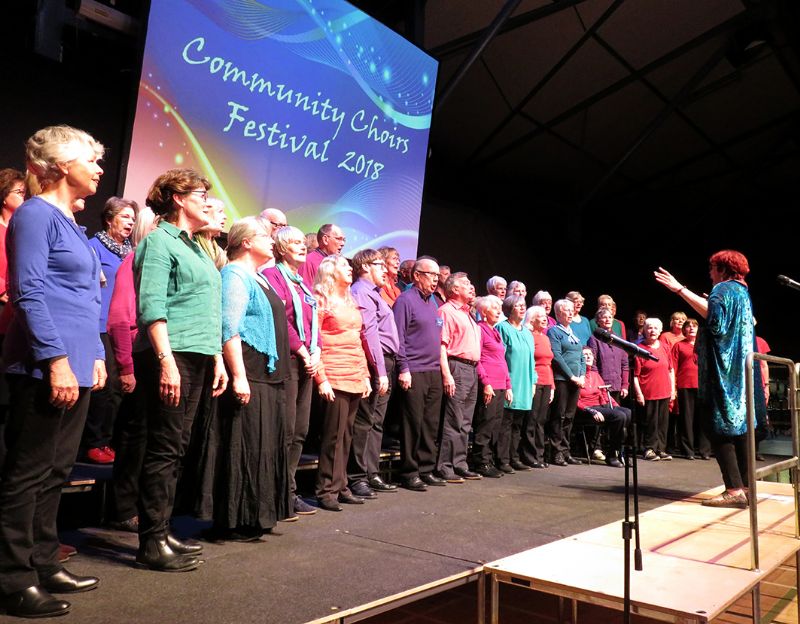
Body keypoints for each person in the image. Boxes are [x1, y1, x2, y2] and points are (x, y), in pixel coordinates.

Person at [0, 125, 106, 618]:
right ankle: (11, 578)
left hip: (78, 364)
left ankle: (43, 560)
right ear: (64, 166)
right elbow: (28, 292)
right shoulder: (34, 214)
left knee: (58, 470)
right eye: (91, 160)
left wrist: (95, 357)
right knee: (27, 472)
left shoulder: (68, 221)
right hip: (47, 365)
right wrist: (57, 360)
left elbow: (86, 298)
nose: (99, 169)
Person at [132, 168, 227, 571]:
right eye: (200, 193)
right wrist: (166, 362)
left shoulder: (196, 247)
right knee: (164, 448)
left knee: (178, 448)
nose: (207, 200)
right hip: (171, 355)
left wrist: (217, 357)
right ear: (176, 198)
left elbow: (208, 308)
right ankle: (150, 543)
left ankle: (163, 529)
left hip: (198, 356)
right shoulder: (159, 241)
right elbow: (152, 306)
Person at [655, 251, 766, 508]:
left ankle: (734, 489)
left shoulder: (722, 289)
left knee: (718, 426)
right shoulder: (741, 291)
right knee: (740, 429)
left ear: (723, 268)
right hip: (741, 372)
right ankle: (748, 487)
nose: (709, 272)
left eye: (712, 267)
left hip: (724, 372)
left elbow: (716, 323)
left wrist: (680, 289)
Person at [212, 217, 291, 538]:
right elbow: (228, 328)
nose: (272, 240)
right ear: (246, 242)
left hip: (268, 375)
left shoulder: (259, 277)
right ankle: (237, 518)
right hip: (249, 371)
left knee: (265, 446)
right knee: (245, 445)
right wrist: (239, 377)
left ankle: (259, 514)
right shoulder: (234, 274)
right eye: (264, 235)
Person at [105, 207, 158, 533]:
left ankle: (144, 505)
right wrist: (125, 366)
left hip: (156, 357)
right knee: (135, 435)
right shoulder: (135, 260)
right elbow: (121, 318)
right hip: (137, 357)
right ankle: (123, 508)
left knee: (152, 437)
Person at [263, 226, 320, 518]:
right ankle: (275, 494)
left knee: (300, 431)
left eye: (303, 242)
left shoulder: (302, 283)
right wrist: (301, 349)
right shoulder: (273, 277)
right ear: (281, 248)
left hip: (306, 361)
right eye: (295, 243)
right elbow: (279, 320)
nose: (302, 247)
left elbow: (312, 325)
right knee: (284, 431)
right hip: (287, 359)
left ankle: (290, 492)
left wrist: (316, 351)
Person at [312, 255, 371, 511]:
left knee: (347, 436)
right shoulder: (320, 300)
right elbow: (315, 341)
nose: (350, 270)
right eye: (345, 267)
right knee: (333, 436)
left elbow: (358, 341)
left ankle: (341, 485)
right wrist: (321, 377)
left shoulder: (350, 300)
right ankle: (326, 491)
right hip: (334, 374)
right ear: (331, 272)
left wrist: (366, 374)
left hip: (354, 375)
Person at [83, 197, 137, 464]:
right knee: (103, 387)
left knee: (119, 388)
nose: (131, 222)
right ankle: (94, 443)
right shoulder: (93, 248)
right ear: (109, 218)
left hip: (125, 327)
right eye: (125, 217)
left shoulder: (131, 253)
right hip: (100, 324)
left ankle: (107, 441)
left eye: (133, 218)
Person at [347, 249, 400, 497]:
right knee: (364, 422)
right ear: (366, 266)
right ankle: (357, 477)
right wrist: (380, 371)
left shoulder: (375, 294)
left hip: (384, 362)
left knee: (374, 422)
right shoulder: (361, 292)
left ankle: (370, 472)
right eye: (380, 265)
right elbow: (369, 333)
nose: (385, 270)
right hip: (374, 363)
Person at [393, 258, 443, 491]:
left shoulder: (432, 301)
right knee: (412, 423)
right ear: (416, 276)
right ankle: (409, 472)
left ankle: (426, 468)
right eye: (430, 274)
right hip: (413, 370)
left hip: (433, 371)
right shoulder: (405, 300)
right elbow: (399, 338)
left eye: (436, 275)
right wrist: (403, 368)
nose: (435, 279)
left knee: (429, 424)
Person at [436, 272, 482, 483]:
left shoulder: (468, 313)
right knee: (453, 419)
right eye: (466, 283)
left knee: (465, 422)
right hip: (457, 367)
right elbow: (441, 346)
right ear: (454, 289)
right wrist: (447, 374)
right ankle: (445, 466)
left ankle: (460, 463)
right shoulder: (446, 311)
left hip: (471, 369)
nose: (470, 286)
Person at [470, 296, 510, 478]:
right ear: (484, 312)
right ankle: (481, 462)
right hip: (490, 384)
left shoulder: (495, 332)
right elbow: (477, 359)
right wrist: (485, 382)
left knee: (495, 424)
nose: (499, 311)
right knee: (485, 423)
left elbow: (502, 360)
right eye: (495, 308)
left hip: (501, 384)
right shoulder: (480, 329)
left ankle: (490, 459)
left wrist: (508, 385)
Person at [495, 295, 536, 473]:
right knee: (506, 423)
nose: (522, 308)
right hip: (510, 382)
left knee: (518, 424)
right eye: (518, 305)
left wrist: (533, 381)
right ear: (509, 308)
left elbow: (532, 359)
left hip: (525, 383)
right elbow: (500, 358)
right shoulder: (502, 328)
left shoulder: (527, 332)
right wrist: (507, 385)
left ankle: (514, 457)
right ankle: (502, 459)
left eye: (523, 305)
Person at [575, 347, 631, 467]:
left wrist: (615, 406)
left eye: (590, 354)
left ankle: (620, 451)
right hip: (585, 410)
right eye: (585, 354)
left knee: (627, 412)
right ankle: (611, 455)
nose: (589, 356)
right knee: (619, 416)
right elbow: (575, 401)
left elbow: (605, 394)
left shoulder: (595, 375)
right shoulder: (577, 375)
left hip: (600, 406)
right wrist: (591, 410)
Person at [547, 299, 585, 466]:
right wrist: (571, 376)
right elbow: (556, 356)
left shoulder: (573, 334)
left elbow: (582, 357)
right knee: (559, 416)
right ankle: (556, 452)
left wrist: (582, 375)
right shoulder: (554, 332)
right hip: (562, 379)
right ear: (558, 313)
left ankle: (566, 450)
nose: (571, 313)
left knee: (570, 417)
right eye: (566, 310)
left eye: (572, 310)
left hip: (576, 381)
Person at [632, 318, 675, 461]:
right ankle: (649, 449)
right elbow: (635, 376)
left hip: (664, 390)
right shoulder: (640, 349)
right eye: (649, 328)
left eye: (656, 328)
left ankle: (661, 449)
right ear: (644, 330)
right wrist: (639, 393)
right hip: (648, 392)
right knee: (650, 422)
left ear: (660, 330)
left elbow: (670, 369)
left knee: (663, 422)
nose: (652, 331)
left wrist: (673, 389)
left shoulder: (664, 347)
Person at [672, 318, 710, 460]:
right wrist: (674, 387)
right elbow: (673, 367)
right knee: (686, 419)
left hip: (703, 385)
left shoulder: (704, 346)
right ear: (684, 330)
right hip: (685, 385)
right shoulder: (678, 346)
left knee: (703, 419)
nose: (692, 328)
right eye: (688, 326)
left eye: (694, 326)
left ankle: (704, 450)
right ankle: (688, 450)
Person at [523, 305, 554, 468]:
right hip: (534, 381)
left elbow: (549, 363)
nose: (545, 318)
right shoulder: (529, 336)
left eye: (545, 316)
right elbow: (529, 361)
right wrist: (533, 381)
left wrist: (553, 387)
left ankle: (540, 455)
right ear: (532, 319)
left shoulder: (546, 337)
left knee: (541, 420)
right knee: (532, 419)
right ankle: (529, 455)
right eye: (540, 316)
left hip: (547, 380)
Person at [588, 308, 630, 404]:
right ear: (598, 321)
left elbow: (625, 364)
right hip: (602, 386)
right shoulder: (594, 339)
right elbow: (593, 365)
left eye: (610, 317)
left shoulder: (618, 339)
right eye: (604, 317)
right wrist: (598, 384)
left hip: (617, 386)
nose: (608, 320)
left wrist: (624, 385)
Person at [194, 197, 227, 270]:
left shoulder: (220, 251)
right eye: (220, 211)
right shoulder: (191, 244)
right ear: (204, 213)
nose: (225, 217)